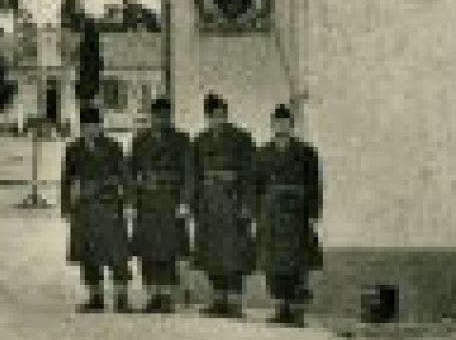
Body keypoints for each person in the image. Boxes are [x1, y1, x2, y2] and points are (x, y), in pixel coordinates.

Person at [189, 92, 257, 318]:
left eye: (222, 115)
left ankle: (235, 302)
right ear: (207, 117)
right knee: (211, 252)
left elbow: (250, 174)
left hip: (232, 202)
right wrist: (193, 203)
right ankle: (218, 300)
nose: (218, 119)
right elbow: (193, 175)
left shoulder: (241, 138)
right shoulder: (199, 141)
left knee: (234, 253)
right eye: (214, 115)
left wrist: (247, 204)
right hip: (208, 204)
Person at [60, 104, 133, 313]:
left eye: (94, 125)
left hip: (109, 205)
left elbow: (125, 176)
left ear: (101, 126)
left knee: (117, 253)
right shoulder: (73, 149)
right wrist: (66, 207)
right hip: (84, 207)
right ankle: (96, 297)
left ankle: (121, 297)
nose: (91, 130)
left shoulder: (113, 147)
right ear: (81, 127)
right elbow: (66, 179)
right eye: (86, 126)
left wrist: (128, 202)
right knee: (88, 252)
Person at [255, 103, 324, 326]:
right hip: (271, 215)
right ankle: (281, 308)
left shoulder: (306, 153)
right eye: (277, 123)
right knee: (273, 264)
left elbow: (314, 185)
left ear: (291, 126)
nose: (281, 127)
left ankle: (297, 311)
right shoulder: (262, 153)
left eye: (285, 123)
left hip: (297, 215)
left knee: (297, 263)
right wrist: (257, 214)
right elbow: (255, 186)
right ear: (272, 126)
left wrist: (313, 213)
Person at [128, 96, 193, 312]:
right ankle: (152, 294)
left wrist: (184, 202)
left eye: (165, 116)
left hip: (170, 199)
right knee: (147, 248)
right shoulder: (140, 140)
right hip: (146, 199)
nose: (160, 120)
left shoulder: (181, 140)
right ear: (151, 117)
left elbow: (188, 173)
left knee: (168, 248)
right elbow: (130, 173)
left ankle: (166, 295)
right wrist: (131, 202)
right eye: (157, 116)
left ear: (170, 117)